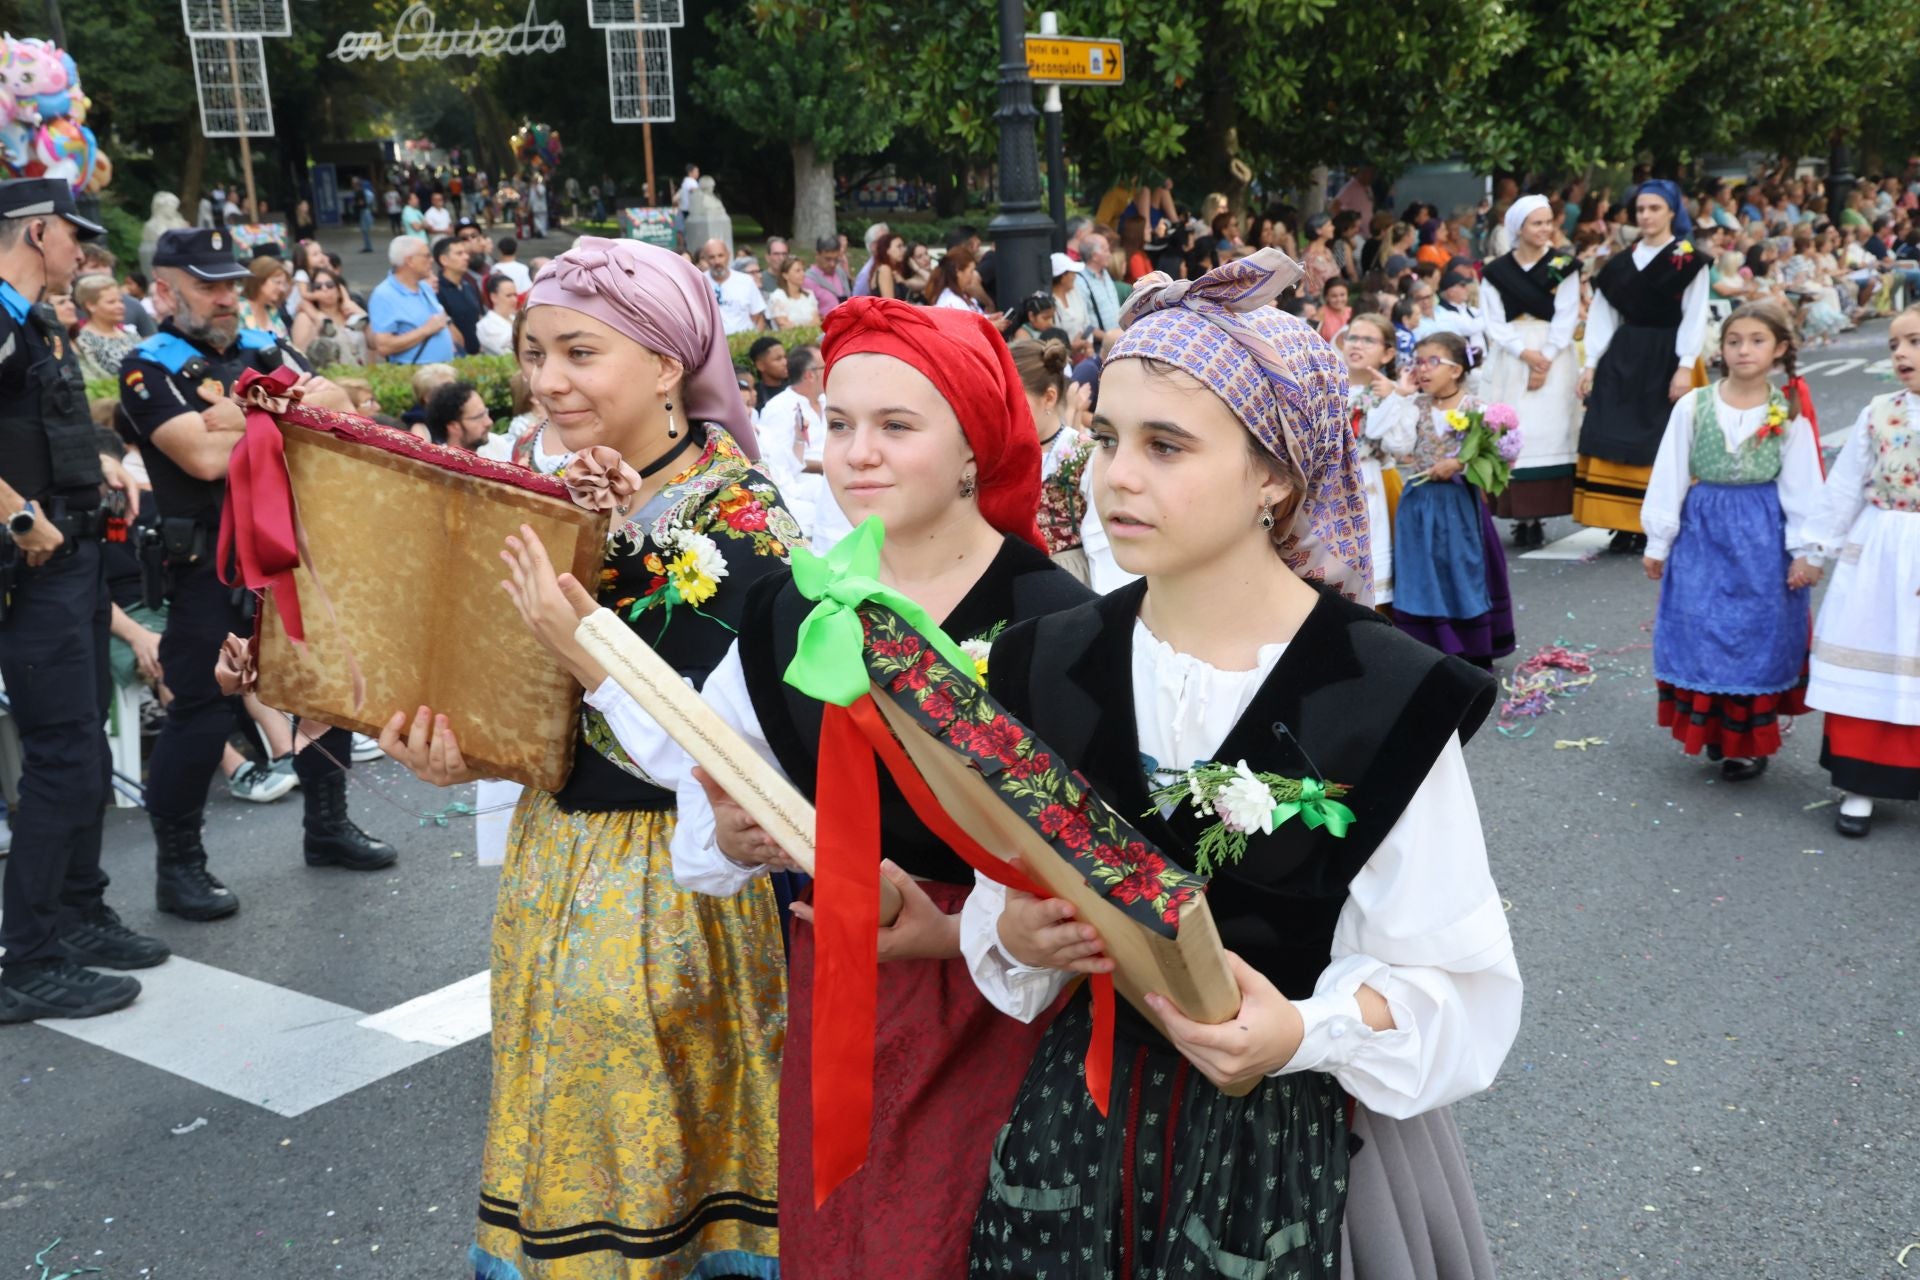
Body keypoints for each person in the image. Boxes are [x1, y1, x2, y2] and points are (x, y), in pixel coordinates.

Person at [962, 248, 1518, 1279]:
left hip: (1305, 1144)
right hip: (1080, 1129)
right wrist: (1016, 928)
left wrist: (1302, 1027)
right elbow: (1000, 896)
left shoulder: (1381, 688)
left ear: (1273, 473)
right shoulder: (1044, 656)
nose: (1115, 473)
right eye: (1106, 436)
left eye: (1167, 444)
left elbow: (1457, 983)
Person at [583, 296, 1095, 1277]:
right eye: (842, 422)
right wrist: (735, 832)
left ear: (975, 447)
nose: (858, 452)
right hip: (846, 977)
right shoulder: (793, 604)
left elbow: (1101, 862)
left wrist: (967, 929)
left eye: (898, 426)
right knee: (848, 1234)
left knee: (964, 1238)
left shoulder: (1058, 622)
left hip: (1009, 995)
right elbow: (712, 761)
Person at [379, 235, 790, 1280]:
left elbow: (733, 755)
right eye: (532, 352)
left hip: (682, 889)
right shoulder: (548, 495)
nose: (546, 381)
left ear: (665, 363)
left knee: (663, 1188)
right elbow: (522, 702)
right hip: (552, 866)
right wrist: (455, 751)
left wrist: (585, 638)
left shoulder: (741, 516)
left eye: (578, 351)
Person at [114, 228, 381, 929]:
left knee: (323, 691)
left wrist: (248, 411)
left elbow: (343, 414)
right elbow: (200, 458)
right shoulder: (148, 366)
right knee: (200, 709)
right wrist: (283, 408)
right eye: (210, 286)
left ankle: (327, 827)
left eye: (232, 283)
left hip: (291, 552)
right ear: (167, 292)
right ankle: (180, 867)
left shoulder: (265, 348)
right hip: (206, 562)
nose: (228, 297)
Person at [0, 180, 168, 1023]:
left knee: (88, 752)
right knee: (66, 757)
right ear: (37, 233)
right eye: (76, 237)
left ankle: (77, 913)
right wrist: (21, 515)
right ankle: (26, 960)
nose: (86, 252)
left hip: (67, 560)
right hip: (30, 567)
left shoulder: (32, 319)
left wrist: (91, 467)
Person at [1641, 302, 1821, 782]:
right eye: (1734, 340)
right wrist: (1659, 541)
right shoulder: (1694, 405)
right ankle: (1714, 732)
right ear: (1721, 348)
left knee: (1754, 634)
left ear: (1780, 348)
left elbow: (1803, 485)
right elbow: (1670, 473)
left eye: (1757, 340)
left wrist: (1806, 550)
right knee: (1703, 629)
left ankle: (1747, 744)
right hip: (1704, 534)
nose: (1744, 350)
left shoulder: (1788, 410)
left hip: (1764, 537)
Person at [1796, 304, 1920, 837]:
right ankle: (1860, 784)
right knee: (1870, 657)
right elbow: (1845, 485)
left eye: (1913, 342)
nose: (1900, 354)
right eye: (1894, 345)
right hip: (1878, 551)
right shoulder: (1878, 411)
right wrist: (1814, 549)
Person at [1577, 180, 1711, 553]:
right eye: (1640, 210)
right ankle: (1621, 521)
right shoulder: (1618, 265)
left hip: (1668, 351)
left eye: (1654, 208)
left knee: (1661, 437)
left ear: (1671, 212)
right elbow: (1602, 316)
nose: (1647, 216)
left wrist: (1685, 365)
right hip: (1626, 351)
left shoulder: (1688, 259)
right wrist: (1590, 364)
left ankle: (1655, 518)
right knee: (1616, 430)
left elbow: (1695, 313)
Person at [1370, 330, 1516, 667]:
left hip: (1458, 506)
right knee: (1421, 572)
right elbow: (1398, 446)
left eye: (1432, 361)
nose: (1422, 369)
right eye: (1418, 362)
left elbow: (1496, 459)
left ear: (1456, 369)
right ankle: (1427, 648)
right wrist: (1402, 397)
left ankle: (1469, 646)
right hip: (1419, 503)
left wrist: (1461, 463)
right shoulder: (1415, 405)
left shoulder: (1476, 408)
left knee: (1460, 570)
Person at [1483, 196, 1584, 548]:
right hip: (1514, 354)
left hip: (1553, 352)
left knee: (1549, 428)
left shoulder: (1564, 265)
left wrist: (1547, 356)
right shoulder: (1496, 271)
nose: (1544, 230)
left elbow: (1567, 312)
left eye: (1547, 223)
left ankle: (1538, 514)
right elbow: (1493, 319)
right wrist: (1525, 354)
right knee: (1515, 429)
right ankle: (1519, 514)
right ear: (1519, 228)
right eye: (1536, 223)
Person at [1014, 336, 1093, 583]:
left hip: (1069, 575)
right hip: (1019, 575)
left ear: (1048, 397)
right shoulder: (1003, 454)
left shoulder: (1082, 451)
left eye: (1014, 401)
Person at [1344, 312, 1408, 606]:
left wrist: (1393, 398)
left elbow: (1397, 444)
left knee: (1373, 555)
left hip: (1369, 480)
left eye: (1368, 340)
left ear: (1388, 352)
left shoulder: (1391, 394)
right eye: (1353, 337)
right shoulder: (1328, 386)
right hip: (1328, 484)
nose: (1357, 345)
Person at [368, 236, 455, 366]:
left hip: (443, 369)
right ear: (410, 261)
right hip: (417, 375)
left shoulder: (425, 287)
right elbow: (384, 346)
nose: (431, 260)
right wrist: (425, 330)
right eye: (426, 256)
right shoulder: (384, 295)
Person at [290, 268, 369, 367]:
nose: (324, 289)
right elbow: (299, 355)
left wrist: (360, 311)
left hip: (361, 375)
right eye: (318, 286)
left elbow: (375, 343)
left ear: (339, 289)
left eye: (330, 285)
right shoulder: (306, 318)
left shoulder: (353, 314)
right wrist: (317, 325)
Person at [72, 272, 141, 381]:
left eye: (120, 301)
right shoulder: (83, 341)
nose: (120, 306)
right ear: (91, 306)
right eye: (111, 302)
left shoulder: (132, 335)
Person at [699, 237, 767, 335]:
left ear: (728, 255)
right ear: (705, 259)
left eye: (720, 256)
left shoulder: (746, 281)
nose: (717, 261)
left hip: (744, 340)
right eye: (712, 257)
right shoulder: (699, 283)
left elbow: (758, 317)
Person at [431, 236, 483, 354]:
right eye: (459, 254)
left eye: (465, 252)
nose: (466, 257)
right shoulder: (436, 291)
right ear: (444, 260)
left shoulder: (468, 285)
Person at [422, 379, 492, 450]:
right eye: (478, 417)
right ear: (453, 426)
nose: (489, 422)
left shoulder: (497, 446)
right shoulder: (437, 460)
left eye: (485, 412)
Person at [236, 256, 292, 340]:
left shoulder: (272, 312)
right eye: (277, 282)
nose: (281, 289)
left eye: (283, 284)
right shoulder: (239, 309)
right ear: (260, 280)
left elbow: (287, 344)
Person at [803, 234, 852, 317]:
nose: (832, 264)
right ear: (817, 255)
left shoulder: (840, 272)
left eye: (836, 259)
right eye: (827, 259)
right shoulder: (808, 280)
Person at [766, 256, 820, 331]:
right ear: (785, 275)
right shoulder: (777, 297)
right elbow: (784, 325)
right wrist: (808, 326)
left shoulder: (809, 294)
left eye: (803, 270)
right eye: (798, 271)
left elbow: (817, 322)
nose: (803, 274)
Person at [927, 245, 985, 312]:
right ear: (958, 272)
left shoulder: (957, 296)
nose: (973, 275)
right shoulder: (952, 302)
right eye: (971, 271)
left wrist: (988, 318)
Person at [475, 272, 517, 356]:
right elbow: (505, 353)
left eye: (515, 295)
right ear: (494, 297)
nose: (514, 300)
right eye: (509, 295)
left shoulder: (516, 318)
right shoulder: (486, 325)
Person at [747, 334, 788, 408]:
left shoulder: (795, 387)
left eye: (785, 357)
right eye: (778, 359)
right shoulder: (754, 395)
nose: (785, 362)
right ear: (760, 365)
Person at [1318, 276, 1353, 342]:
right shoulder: (1321, 313)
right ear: (1326, 297)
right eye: (1334, 296)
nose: (1339, 299)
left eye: (1342, 295)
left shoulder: (1351, 312)